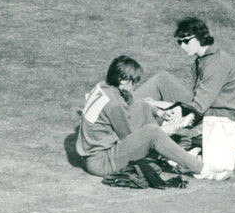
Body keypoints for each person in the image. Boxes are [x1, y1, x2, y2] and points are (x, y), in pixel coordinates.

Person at [131, 16, 235, 181]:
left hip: (220, 115)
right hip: (210, 106)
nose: (182, 46)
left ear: (199, 37)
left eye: (185, 41)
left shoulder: (215, 64)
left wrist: (159, 107)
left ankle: (122, 114)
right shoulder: (207, 57)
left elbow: (198, 107)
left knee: (162, 112)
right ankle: (121, 105)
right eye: (179, 42)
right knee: (162, 79)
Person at [76, 55, 204, 177]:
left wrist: (159, 112)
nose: (138, 84)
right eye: (135, 81)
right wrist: (163, 131)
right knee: (152, 132)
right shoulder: (115, 104)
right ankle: (201, 169)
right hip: (102, 162)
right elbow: (129, 137)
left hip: (95, 153)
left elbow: (136, 105)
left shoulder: (103, 86)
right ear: (123, 80)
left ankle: (171, 148)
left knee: (142, 106)